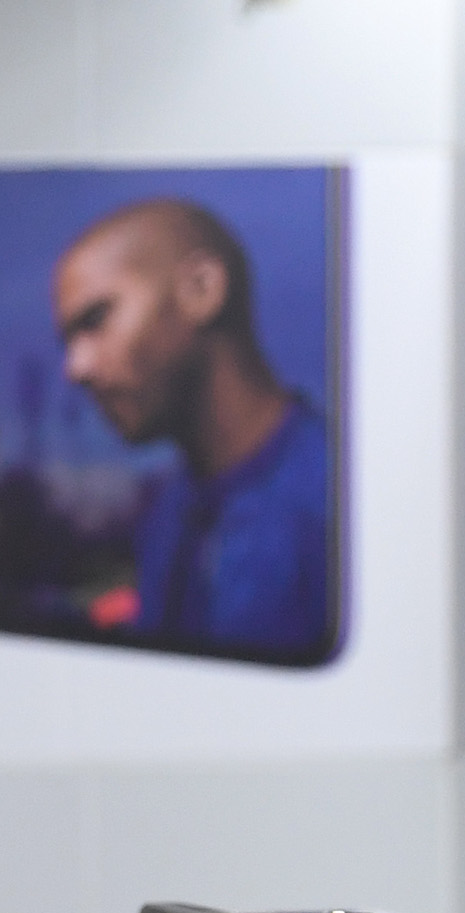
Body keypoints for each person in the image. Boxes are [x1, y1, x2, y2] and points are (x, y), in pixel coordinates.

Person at [51, 196, 339, 662]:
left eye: (96, 320)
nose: (76, 368)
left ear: (202, 289)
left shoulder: (342, 503)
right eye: (70, 340)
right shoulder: (168, 514)